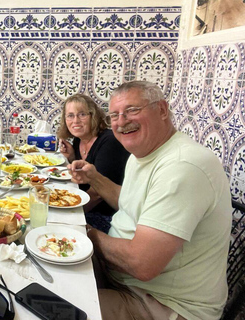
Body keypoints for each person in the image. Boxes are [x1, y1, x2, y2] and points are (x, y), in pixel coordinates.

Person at [69, 81, 232, 320]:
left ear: (163, 110)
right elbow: (129, 202)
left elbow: (141, 264)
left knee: (54, 304)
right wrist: (95, 177)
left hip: (160, 303)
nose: (121, 121)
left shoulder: (182, 166)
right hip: (124, 278)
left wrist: (84, 232)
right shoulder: (145, 152)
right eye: (114, 115)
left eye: (133, 110)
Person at [57, 93, 129, 232]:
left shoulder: (109, 142)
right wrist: (72, 157)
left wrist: (70, 214)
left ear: (93, 116)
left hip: (108, 216)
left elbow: (98, 192)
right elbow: (85, 176)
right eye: (70, 115)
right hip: (90, 208)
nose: (75, 121)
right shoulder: (79, 139)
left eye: (82, 114)